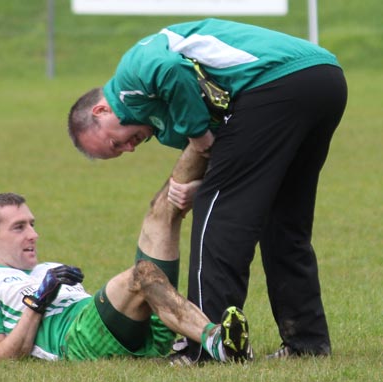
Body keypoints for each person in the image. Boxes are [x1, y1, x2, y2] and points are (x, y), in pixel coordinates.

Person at [67, 18, 348, 362]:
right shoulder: (161, 120)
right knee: (283, 223)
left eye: (115, 142)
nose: (129, 149)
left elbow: (170, 68)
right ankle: (307, 344)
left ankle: (206, 347)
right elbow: (241, 160)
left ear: (101, 110)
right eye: (120, 153)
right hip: (323, 80)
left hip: (274, 85)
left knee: (217, 218)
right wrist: (204, 183)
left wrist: (199, 140)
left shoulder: (130, 76)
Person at [0, 145, 252, 364]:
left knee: (162, 213)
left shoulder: (49, 267)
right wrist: (37, 302)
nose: (33, 234)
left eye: (31, 224)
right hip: (77, 338)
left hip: (117, 325)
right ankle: (218, 342)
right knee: (141, 274)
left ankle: (203, 135)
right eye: (19, 227)